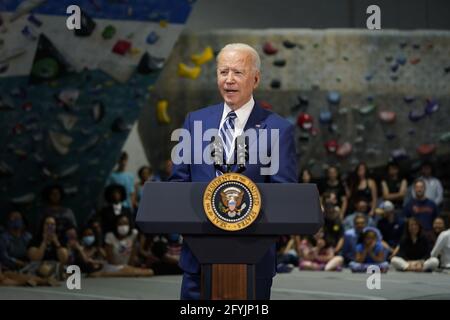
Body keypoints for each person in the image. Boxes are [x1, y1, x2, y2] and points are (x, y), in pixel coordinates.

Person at [170, 43, 297, 300]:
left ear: (256, 79)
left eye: (237, 73)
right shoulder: (196, 121)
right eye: (223, 72)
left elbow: (284, 194)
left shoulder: (278, 129)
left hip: (252, 257)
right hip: (199, 256)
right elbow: (179, 181)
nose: (229, 80)